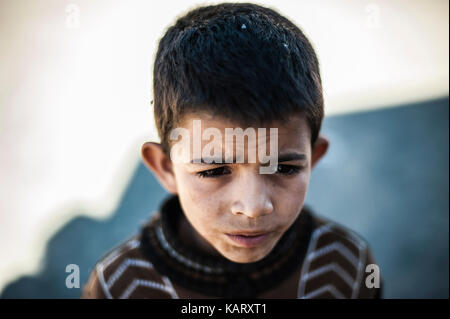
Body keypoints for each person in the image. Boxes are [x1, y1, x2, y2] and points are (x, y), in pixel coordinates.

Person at [81, 2, 381, 299]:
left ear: (313, 159)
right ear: (166, 168)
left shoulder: (346, 268)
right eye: (213, 171)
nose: (253, 207)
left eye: (284, 168)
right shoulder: (120, 287)